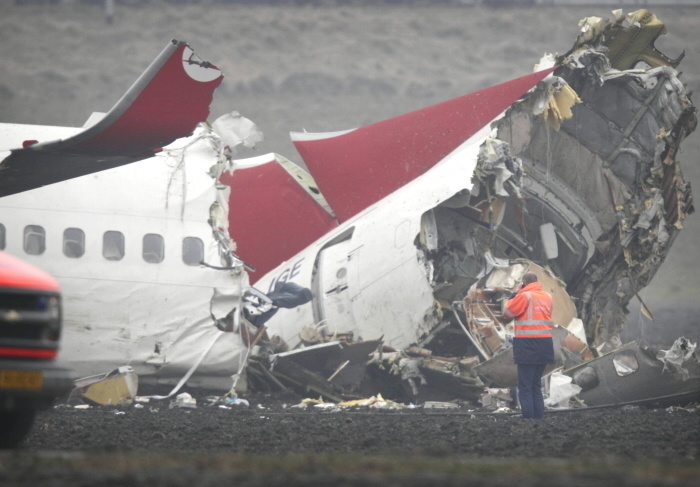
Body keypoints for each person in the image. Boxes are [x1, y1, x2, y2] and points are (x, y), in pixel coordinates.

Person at [503, 271, 555, 419]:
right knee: (536, 385)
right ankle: (538, 418)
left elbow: (507, 312)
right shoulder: (548, 296)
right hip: (545, 344)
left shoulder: (524, 296)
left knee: (525, 386)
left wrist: (515, 293)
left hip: (528, 344)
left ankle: (528, 420)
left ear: (523, 283)